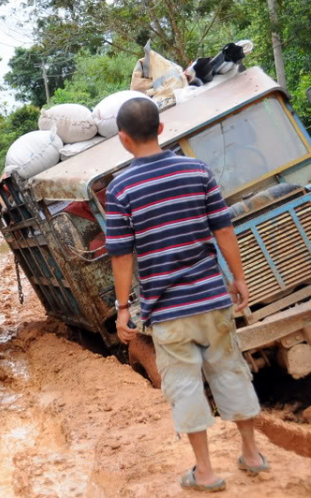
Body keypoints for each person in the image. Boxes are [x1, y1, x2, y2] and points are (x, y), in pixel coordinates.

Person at [105, 98, 269, 492]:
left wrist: (123, 308)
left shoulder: (121, 188)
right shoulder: (197, 170)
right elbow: (224, 229)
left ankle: (206, 473)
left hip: (167, 311)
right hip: (212, 300)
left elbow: (121, 254)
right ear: (161, 129)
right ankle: (251, 454)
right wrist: (240, 278)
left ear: (124, 140)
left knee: (185, 386)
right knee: (230, 371)